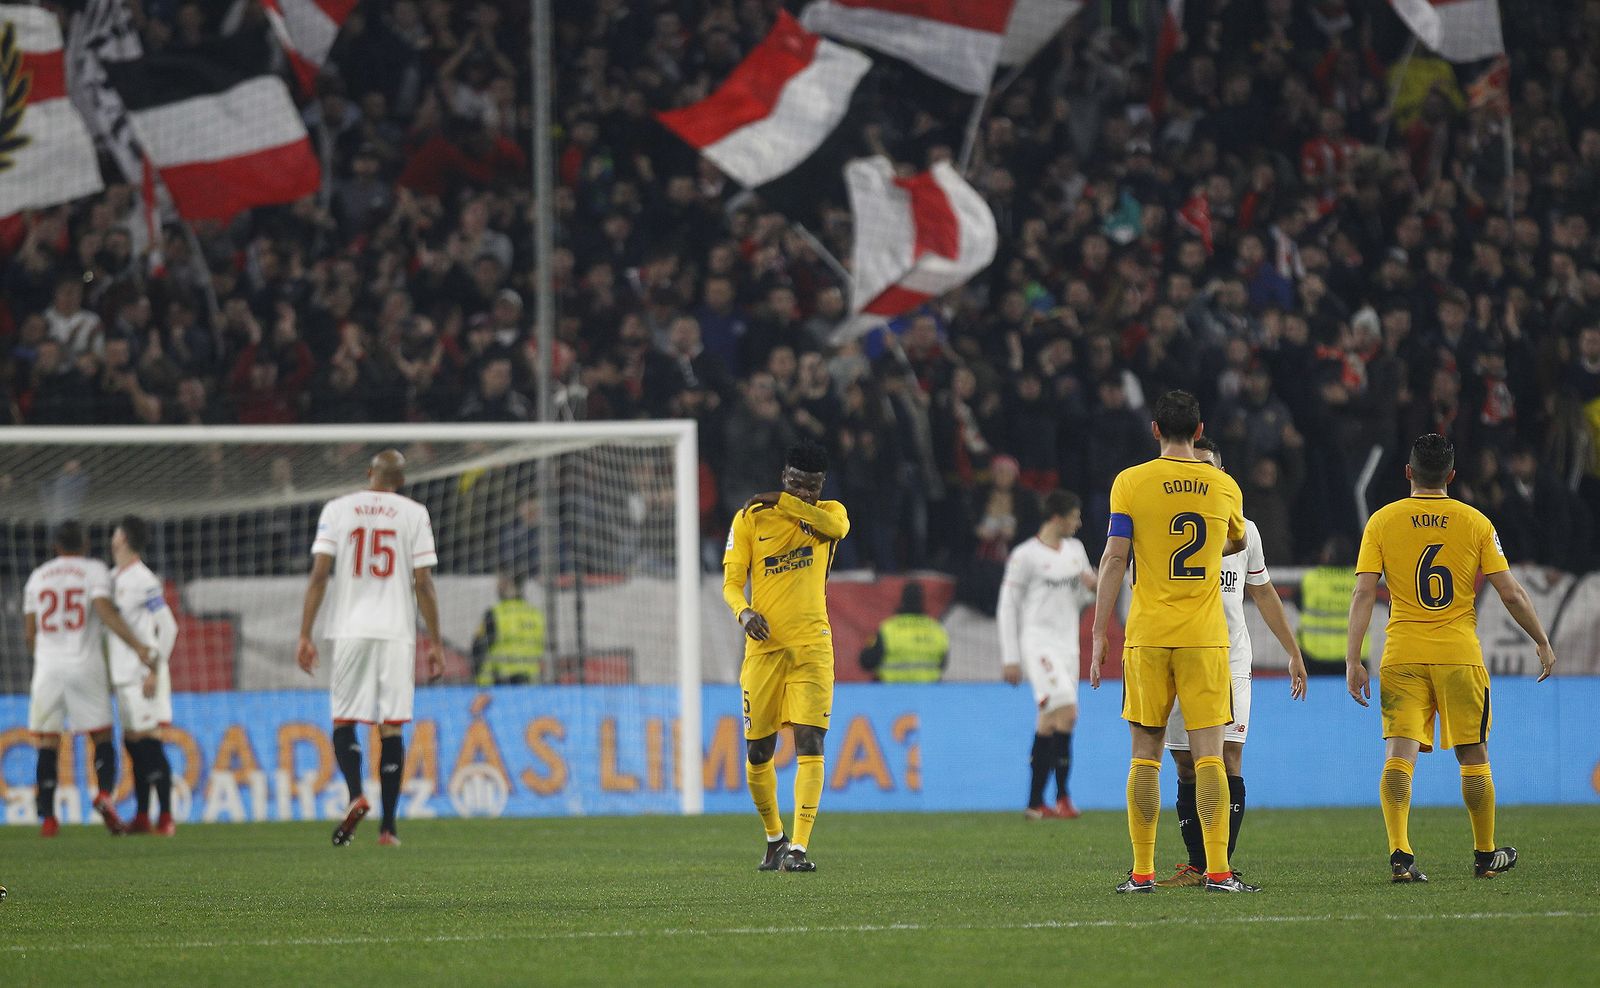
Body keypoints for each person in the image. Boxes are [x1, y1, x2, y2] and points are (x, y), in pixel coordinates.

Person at [1344, 434, 1557, 883]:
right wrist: (1540, 639)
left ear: (1408, 472)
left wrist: (1353, 659)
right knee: (1474, 754)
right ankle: (1484, 855)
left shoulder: (1382, 521)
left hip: (1402, 654)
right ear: (1452, 476)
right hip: (1459, 655)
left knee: (1399, 755)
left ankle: (1401, 855)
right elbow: (1511, 592)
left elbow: (1364, 591)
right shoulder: (1475, 522)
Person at [1089, 390, 1258, 893]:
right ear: (1200, 431)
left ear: (1155, 429)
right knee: (1209, 756)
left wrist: (1099, 631)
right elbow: (1237, 540)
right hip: (1206, 640)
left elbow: (1115, 558)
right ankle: (1219, 871)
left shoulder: (1130, 482)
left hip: (1148, 635)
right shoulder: (1223, 485)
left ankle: (1142, 873)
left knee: (1145, 754)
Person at [1157, 438, 1308, 887]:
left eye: (1207, 468)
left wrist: (1293, 651)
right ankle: (1197, 865)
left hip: (1229, 658)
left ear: (1221, 476)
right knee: (1185, 763)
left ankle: (1220, 866)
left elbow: (1262, 592)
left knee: (1228, 755)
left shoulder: (1246, 531)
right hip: (1181, 653)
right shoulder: (1169, 528)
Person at [297, 450, 444, 848]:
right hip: (397, 632)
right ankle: (389, 829)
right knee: (391, 725)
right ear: (402, 480)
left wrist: (305, 633)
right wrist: (435, 641)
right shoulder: (414, 513)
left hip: (350, 628)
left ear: (369, 474)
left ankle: (355, 795)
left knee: (346, 720)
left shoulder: (338, 509)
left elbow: (319, 575)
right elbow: (424, 583)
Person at [722, 439, 849, 873]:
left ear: (821, 486)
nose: (802, 493)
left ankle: (799, 848)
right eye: (794, 484)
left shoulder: (831, 514)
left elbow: (837, 531)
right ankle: (775, 839)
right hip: (764, 651)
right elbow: (731, 583)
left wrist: (781, 500)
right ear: (783, 475)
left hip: (813, 647)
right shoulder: (749, 519)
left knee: (810, 741)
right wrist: (744, 612)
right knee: (759, 751)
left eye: (810, 486)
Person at [26, 520, 159, 837]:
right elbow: (105, 612)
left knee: (48, 740)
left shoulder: (37, 577)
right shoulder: (94, 570)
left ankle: (48, 818)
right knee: (101, 736)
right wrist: (138, 645)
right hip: (85, 666)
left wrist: (45, 656)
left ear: (56, 546)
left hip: (47, 667)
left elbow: (29, 634)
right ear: (85, 545)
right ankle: (103, 796)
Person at [997, 490, 1096, 820]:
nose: (1079, 523)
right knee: (1068, 712)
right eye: (1074, 517)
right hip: (1038, 644)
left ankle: (1036, 802)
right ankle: (1064, 797)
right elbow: (1008, 606)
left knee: (1051, 720)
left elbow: (1081, 598)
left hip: (1067, 644)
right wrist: (1011, 657)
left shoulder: (1076, 551)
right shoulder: (1025, 556)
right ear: (1057, 517)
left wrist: (1092, 587)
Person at [108, 516, 181, 836]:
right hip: (122, 675)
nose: (112, 537)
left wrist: (154, 668)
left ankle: (165, 817)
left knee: (150, 743)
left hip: (143, 675)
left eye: (115, 532)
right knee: (133, 743)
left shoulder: (144, 579)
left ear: (122, 539)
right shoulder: (111, 578)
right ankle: (141, 815)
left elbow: (168, 626)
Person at [859, 582, 949, 684]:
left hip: (891, 692)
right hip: (927, 693)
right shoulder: (936, 629)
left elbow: (867, 661)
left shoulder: (889, 628)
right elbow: (943, 663)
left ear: (902, 600)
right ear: (922, 601)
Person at [472, 573, 546, 685]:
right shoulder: (535, 614)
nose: (497, 587)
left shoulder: (495, 614)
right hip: (531, 683)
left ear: (508, 585)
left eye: (501, 583)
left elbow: (478, 648)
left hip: (498, 682)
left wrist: (478, 679)